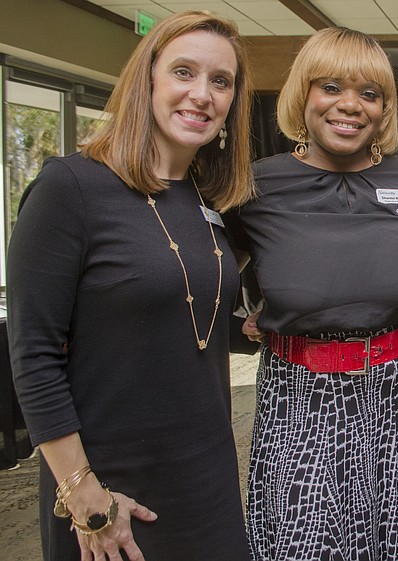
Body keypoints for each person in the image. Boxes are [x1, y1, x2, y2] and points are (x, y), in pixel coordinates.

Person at [7, 11, 254, 561]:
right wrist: (84, 496)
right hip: (112, 490)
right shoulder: (70, 188)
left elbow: (189, 321)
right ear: (147, 82)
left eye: (221, 81)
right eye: (183, 72)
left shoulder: (204, 201)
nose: (202, 94)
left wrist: (256, 329)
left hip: (207, 478)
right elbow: (34, 356)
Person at [235, 27, 398, 561]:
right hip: (298, 401)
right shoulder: (255, 187)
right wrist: (244, 319)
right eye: (330, 86)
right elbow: (204, 272)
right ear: (302, 95)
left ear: (384, 109)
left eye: (369, 94)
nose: (350, 106)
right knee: (300, 545)